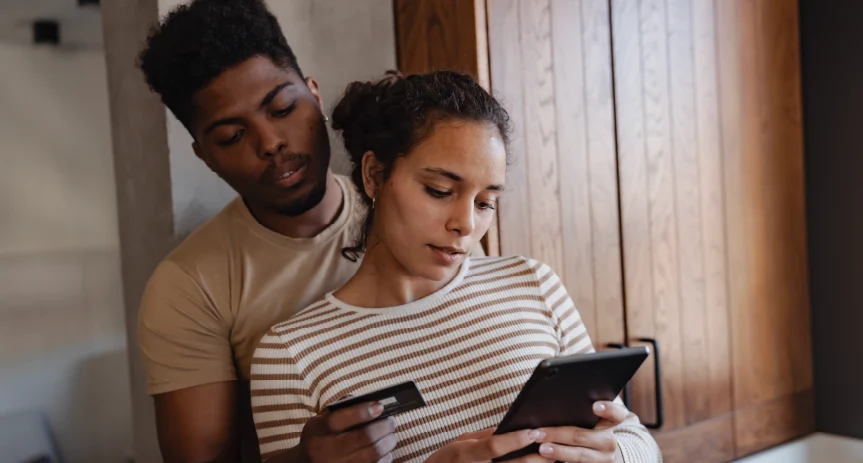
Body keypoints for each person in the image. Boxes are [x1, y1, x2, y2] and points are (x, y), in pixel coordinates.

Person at [251, 71, 662, 463]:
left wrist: (616, 454)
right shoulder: (291, 355)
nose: (466, 224)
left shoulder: (532, 283)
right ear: (375, 175)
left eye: (486, 202)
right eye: (440, 191)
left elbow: (637, 439)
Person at [135, 0, 482, 461]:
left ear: (315, 95)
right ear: (205, 156)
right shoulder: (189, 287)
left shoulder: (410, 204)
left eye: (281, 109)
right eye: (232, 136)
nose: (270, 143)